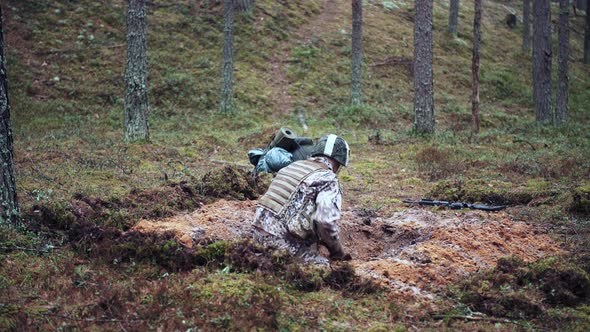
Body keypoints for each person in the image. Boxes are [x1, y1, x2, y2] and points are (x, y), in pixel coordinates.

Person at [252, 134, 351, 265]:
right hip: (281, 245)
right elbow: (325, 222)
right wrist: (337, 251)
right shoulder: (328, 178)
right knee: (326, 267)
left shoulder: (293, 166)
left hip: (256, 236)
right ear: (338, 162)